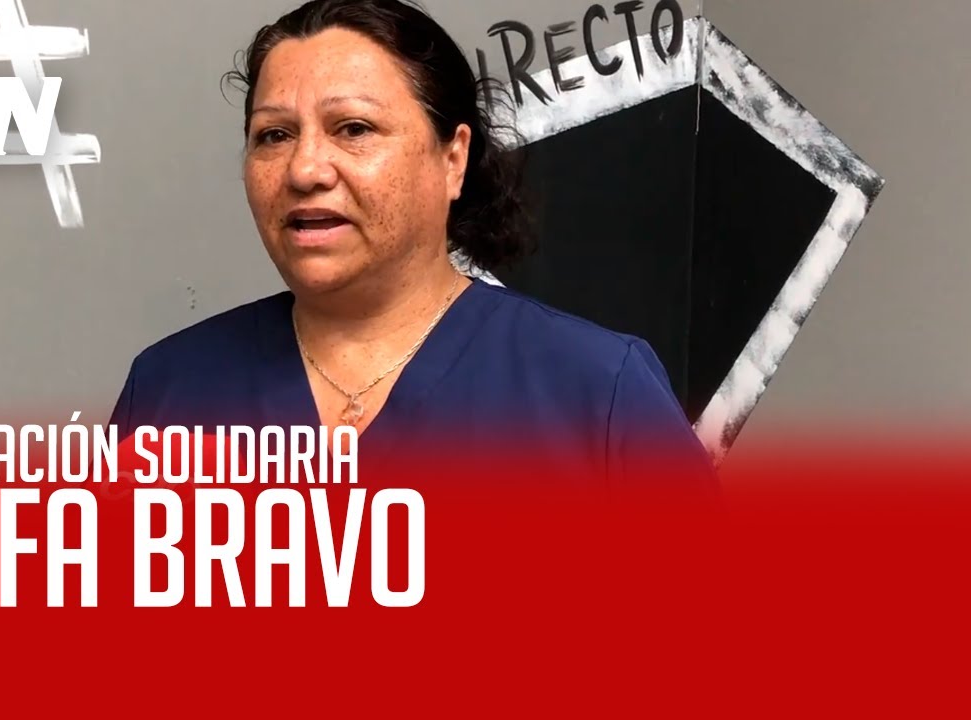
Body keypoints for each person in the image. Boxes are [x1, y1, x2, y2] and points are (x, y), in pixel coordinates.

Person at [110, 0, 716, 490]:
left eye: (354, 128)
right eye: (274, 135)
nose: (304, 169)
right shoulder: (169, 389)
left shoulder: (598, 391)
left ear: (453, 159)